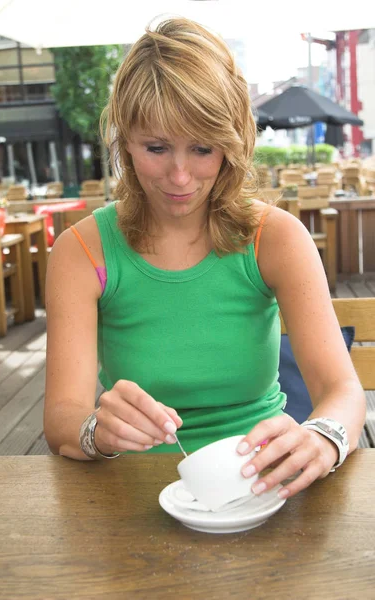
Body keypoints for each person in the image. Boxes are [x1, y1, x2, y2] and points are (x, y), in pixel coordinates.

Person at [44, 18, 366, 500]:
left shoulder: (275, 238)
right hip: (131, 491)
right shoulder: (81, 251)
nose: (179, 176)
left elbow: (342, 389)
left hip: (261, 480)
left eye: (202, 148)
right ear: (125, 142)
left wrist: (324, 436)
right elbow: (63, 418)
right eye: (156, 147)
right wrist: (96, 430)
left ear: (232, 143)